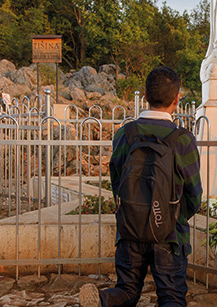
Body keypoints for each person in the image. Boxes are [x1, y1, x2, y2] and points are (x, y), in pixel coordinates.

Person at [80, 66, 202, 307]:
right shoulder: (183, 140)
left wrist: (133, 210)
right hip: (170, 235)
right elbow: (194, 195)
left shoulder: (125, 134)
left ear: (144, 96)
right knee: (171, 296)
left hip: (130, 230)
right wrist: (171, 216)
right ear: (177, 99)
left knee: (126, 290)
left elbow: (117, 181)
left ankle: (102, 300)